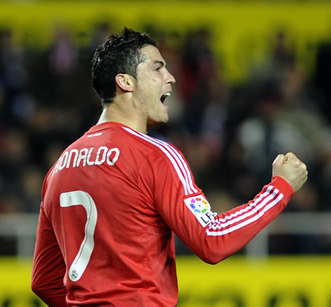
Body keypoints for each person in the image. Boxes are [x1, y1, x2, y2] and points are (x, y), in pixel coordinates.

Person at [31, 28, 308, 306]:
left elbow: (43, 280)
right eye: (157, 68)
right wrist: (279, 189)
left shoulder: (59, 167)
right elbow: (212, 239)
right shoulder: (154, 155)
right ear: (126, 82)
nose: (171, 77)